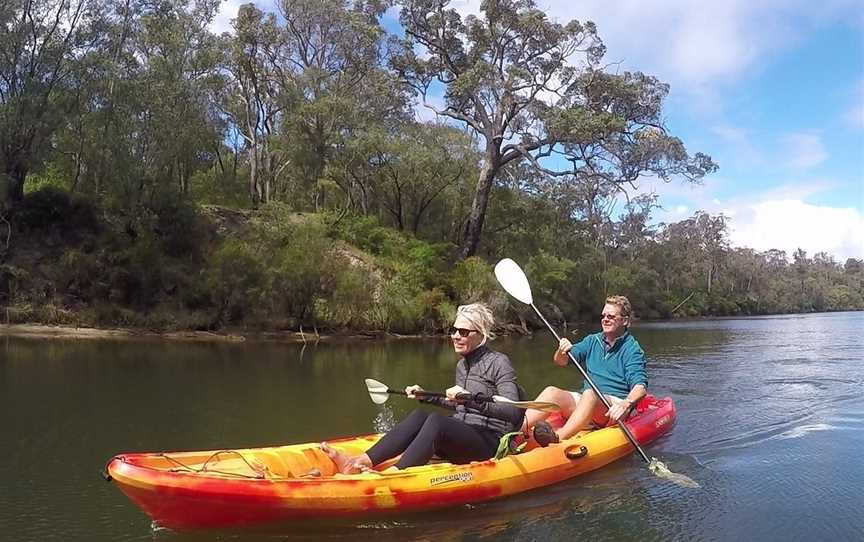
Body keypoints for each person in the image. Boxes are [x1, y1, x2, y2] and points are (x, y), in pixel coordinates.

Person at [322, 303, 524, 473]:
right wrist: (425, 396)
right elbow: (461, 406)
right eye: (453, 330)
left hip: (489, 442)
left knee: (437, 421)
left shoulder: (499, 362)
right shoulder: (462, 366)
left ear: (481, 335)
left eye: (463, 332)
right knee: (420, 415)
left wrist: (470, 398)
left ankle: (395, 474)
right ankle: (360, 462)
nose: (455, 336)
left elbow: (512, 411)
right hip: (465, 434)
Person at [524, 295, 648, 445]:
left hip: (613, 407)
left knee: (590, 393)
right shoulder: (592, 340)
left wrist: (625, 404)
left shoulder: (632, 349)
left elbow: (640, 386)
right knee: (552, 392)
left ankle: (557, 438)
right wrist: (561, 350)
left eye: (611, 316)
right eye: (603, 316)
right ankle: (516, 431)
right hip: (588, 402)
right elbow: (561, 361)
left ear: (625, 321)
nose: (605, 319)